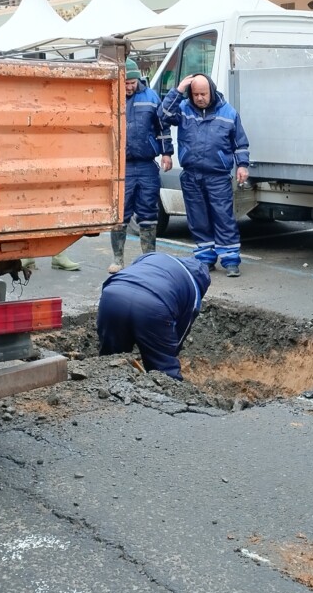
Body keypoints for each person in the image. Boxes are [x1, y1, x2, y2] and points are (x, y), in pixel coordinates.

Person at [159, 73, 250, 276]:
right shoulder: (183, 109)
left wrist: (242, 165)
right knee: (197, 218)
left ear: (212, 91)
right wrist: (179, 89)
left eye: (203, 93)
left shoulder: (228, 113)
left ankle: (230, 260)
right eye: (196, 94)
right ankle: (205, 259)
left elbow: (240, 143)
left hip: (217, 176)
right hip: (191, 175)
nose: (200, 98)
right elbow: (163, 115)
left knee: (223, 217)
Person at [96, 252, 211, 380]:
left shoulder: (154, 256)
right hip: (153, 305)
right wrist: (165, 352)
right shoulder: (194, 289)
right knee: (164, 373)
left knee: (111, 359)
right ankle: (169, 394)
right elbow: (181, 330)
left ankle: (105, 391)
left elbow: (132, 271)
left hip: (112, 294)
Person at [109, 57, 174, 274]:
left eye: (132, 83)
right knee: (120, 213)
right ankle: (118, 259)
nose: (129, 87)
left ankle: (149, 259)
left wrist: (166, 153)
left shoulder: (151, 97)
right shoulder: (112, 97)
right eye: (125, 82)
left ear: (138, 80)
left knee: (148, 211)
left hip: (147, 165)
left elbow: (162, 127)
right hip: (122, 167)